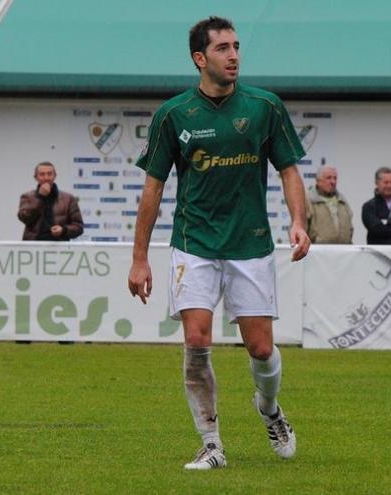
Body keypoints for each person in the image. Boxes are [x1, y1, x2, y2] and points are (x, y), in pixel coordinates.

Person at [127, 16, 310, 470]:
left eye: (236, 46)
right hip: (195, 242)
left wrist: (299, 221)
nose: (233, 55)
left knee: (261, 349)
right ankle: (211, 444)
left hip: (250, 243)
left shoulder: (265, 106)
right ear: (199, 58)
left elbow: (288, 170)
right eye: (223, 48)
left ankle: (269, 410)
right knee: (196, 339)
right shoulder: (174, 114)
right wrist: (139, 259)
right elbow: (152, 188)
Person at [17, 161, 84, 241]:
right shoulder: (27, 197)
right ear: (36, 177)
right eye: (42, 174)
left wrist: (63, 230)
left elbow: (79, 227)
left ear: (54, 176)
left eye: (49, 174)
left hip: (59, 246)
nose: (46, 178)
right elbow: (25, 218)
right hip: (34, 246)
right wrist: (40, 197)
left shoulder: (68, 198)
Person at [305, 165, 353, 244]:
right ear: (318, 181)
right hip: (316, 253)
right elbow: (301, 229)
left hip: (343, 253)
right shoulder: (308, 201)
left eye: (335, 178)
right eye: (328, 178)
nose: (333, 182)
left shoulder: (342, 201)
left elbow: (350, 228)